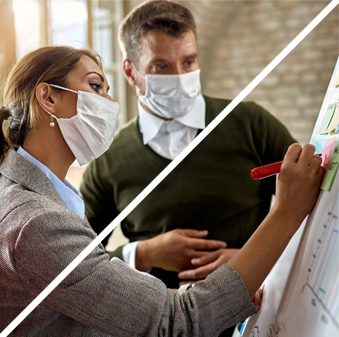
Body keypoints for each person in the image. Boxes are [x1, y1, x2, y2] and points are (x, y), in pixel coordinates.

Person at [0, 44, 324, 336]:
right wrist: (286, 212)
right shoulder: (37, 222)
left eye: (188, 61)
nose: (109, 104)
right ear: (48, 97)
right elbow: (178, 323)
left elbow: (90, 287)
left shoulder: (28, 195)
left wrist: (230, 282)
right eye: (96, 86)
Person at [81, 0, 296, 293]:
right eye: (161, 66)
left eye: (188, 62)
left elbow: (310, 208)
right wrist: (142, 254)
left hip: (260, 315)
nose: (180, 78)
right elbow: (78, 263)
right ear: (131, 72)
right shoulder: (107, 159)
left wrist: (254, 260)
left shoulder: (250, 123)